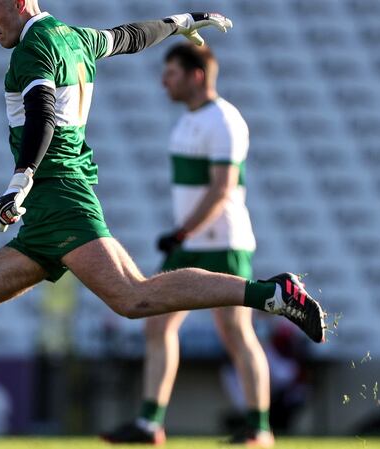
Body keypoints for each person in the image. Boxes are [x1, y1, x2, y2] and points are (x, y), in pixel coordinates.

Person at [0, 2, 326, 447]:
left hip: (59, 200)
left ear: (19, 2)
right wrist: (181, 23)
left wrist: (19, 180)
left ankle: (272, 294)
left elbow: (42, 110)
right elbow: (130, 37)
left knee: (134, 298)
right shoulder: (74, 37)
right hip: (50, 211)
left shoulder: (31, 50)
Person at [100, 43, 274, 447]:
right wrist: (183, 233)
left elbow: (222, 189)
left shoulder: (225, 119)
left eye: (172, 73)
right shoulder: (186, 123)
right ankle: (149, 424)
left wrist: (182, 231)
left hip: (223, 239)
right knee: (157, 324)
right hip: (191, 238)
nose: (164, 81)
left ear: (196, 75)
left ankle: (259, 428)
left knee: (235, 331)